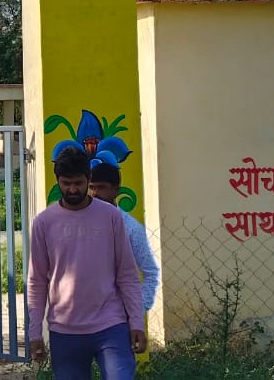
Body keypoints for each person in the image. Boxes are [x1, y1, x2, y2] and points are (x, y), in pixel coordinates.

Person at [26, 150, 145, 380]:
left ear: (88, 180)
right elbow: (37, 281)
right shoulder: (43, 222)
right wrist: (34, 334)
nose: (72, 189)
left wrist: (136, 323)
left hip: (111, 325)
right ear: (57, 180)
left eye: (78, 183)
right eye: (66, 183)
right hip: (65, 330)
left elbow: (127, 274)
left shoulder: (110, 216)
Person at [88, 162, 160, 313]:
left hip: (117, 317)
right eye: (91, 187)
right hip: (84, 316)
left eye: (101, 187)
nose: (94, 193)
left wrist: (136, 311)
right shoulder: (80, 225)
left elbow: (151, 272)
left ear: (115, 190)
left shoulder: (131, 229)